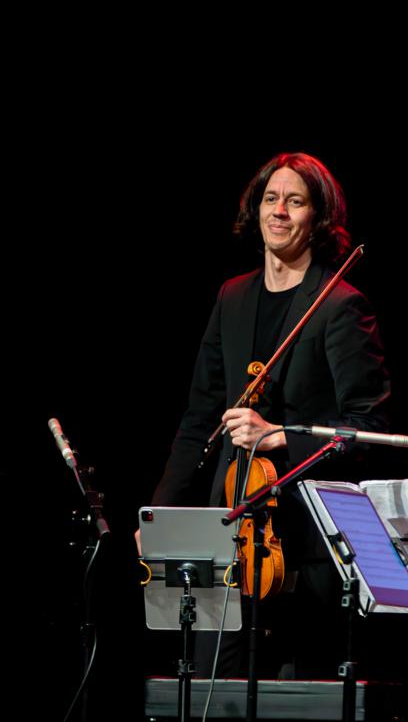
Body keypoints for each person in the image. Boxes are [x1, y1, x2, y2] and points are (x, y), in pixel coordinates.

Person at [147, 151, 390, 677]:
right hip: (232, 529)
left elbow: (369, 429)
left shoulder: (341, 305)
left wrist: (280, 436)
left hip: (306, 540)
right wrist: (163, 513)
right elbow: (199, 418)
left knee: (297, 699)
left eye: (295, 201)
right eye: (270, 199)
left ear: (318, 217)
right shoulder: (232, 297)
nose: (279, 211)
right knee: (214, 688)